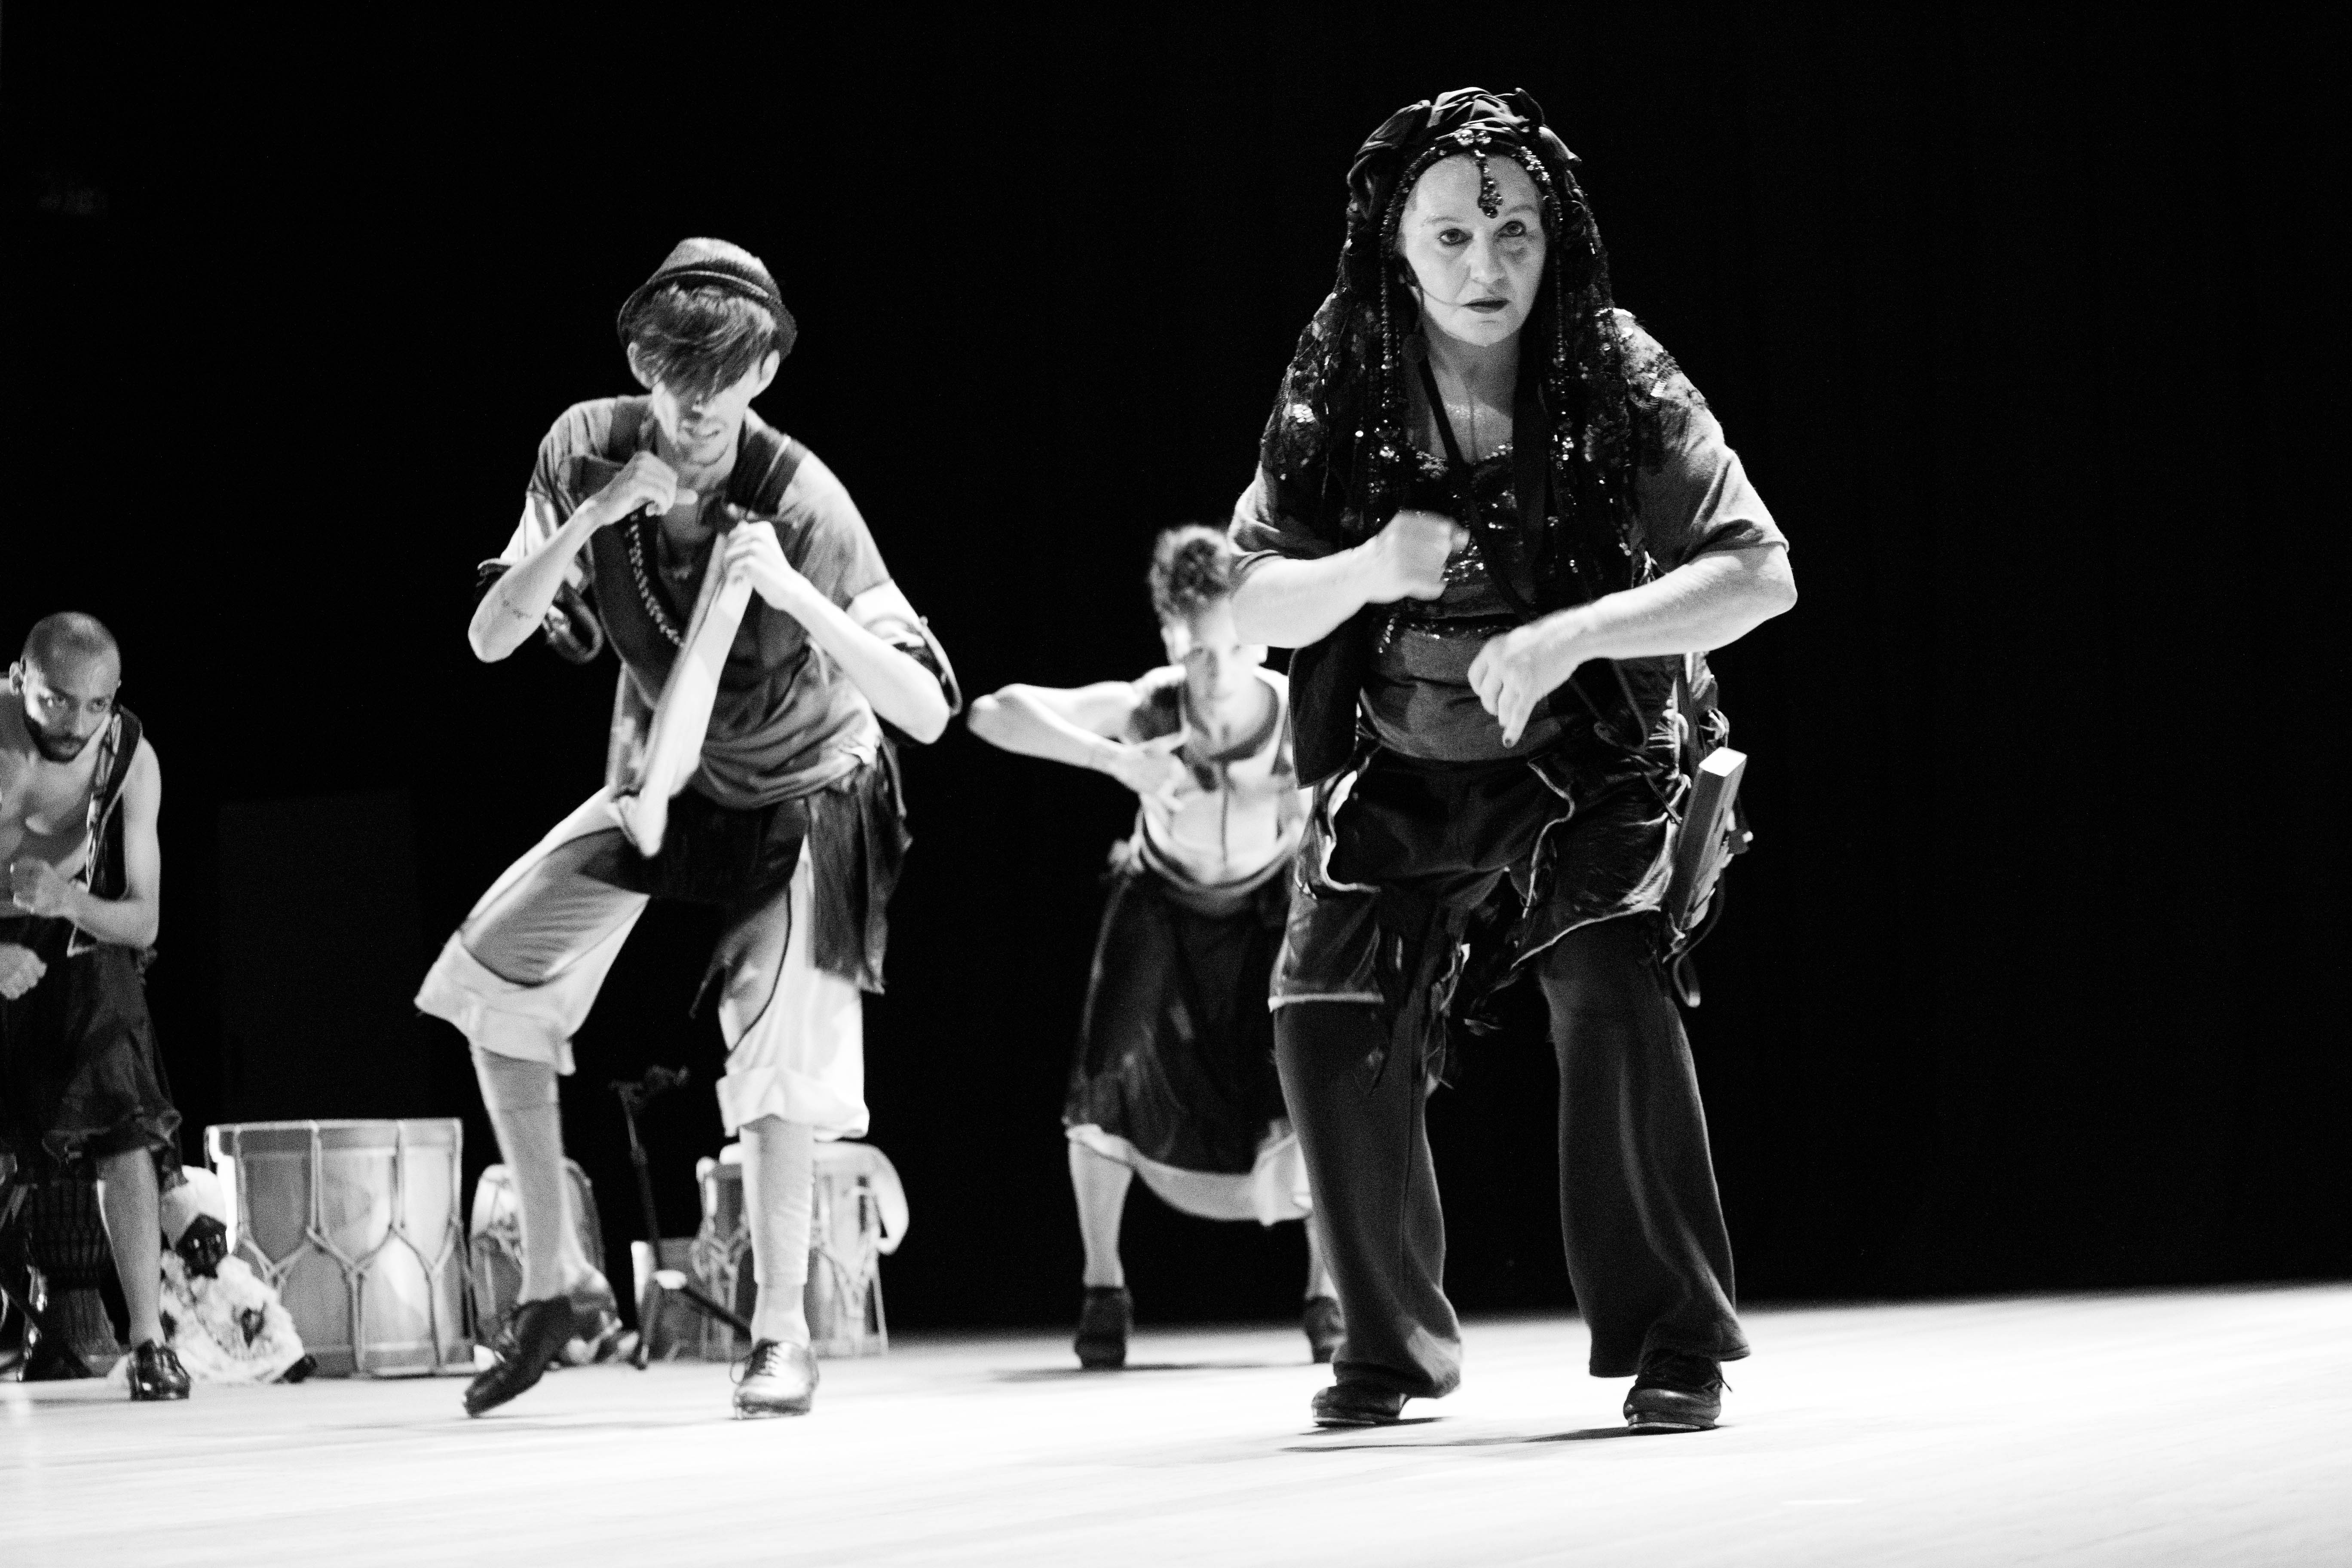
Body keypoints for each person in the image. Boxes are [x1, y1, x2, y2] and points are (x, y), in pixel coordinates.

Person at [1225, 89, 1797, 1430]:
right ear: (1396, 247)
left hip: (1589, 745)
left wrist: (1575, 633)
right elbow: (1246, 594)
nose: (1488, 269)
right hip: (1405, 748)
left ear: (1557, 236)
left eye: (1516, 235)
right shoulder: (1341, 372)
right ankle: (1388, 1346)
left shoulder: (1614, 367)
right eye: (1452, 239)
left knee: (1606, 974)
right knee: (1322, 1008)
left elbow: (1759, 573)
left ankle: (1675, 1339)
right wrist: (1369, 567)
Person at [416, 239, 956, 1419]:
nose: (699, 408)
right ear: (640, 367)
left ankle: (781, 1333)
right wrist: (590, 517)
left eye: (724, 381)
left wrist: (796, 593)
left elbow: (925, 705)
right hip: (672, 771)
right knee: (490, 977)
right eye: (677, 381)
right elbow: (492, 637)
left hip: (811, 786)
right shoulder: (585, 447)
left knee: (775, 1051)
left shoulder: (803, 498)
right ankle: (559, 1281)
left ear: (765, 371)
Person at [968, 527, 1341, 1369]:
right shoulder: (1151, 705)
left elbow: (1371, 778)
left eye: (1230, 650)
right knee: (1104, 1076)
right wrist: (1112, 761)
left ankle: (1328, 1293)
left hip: (1267, 905)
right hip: (1163, 901)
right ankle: (1103, 1287)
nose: (1214, 672)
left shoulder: (1298, 712)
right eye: (1196, 652)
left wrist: (1315, 801)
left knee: (1314, 1074)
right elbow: (993, 712)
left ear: (1258, 640)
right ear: (1173, 639)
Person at [1, 612, 208, 1400]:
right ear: (21, 678)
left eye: (95, 704)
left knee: (124, 1104)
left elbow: (143, 920)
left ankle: (148, 1343)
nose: (75, 723)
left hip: (63, 930)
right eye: (56, 700)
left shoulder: (131, 758)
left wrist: (65, 901)